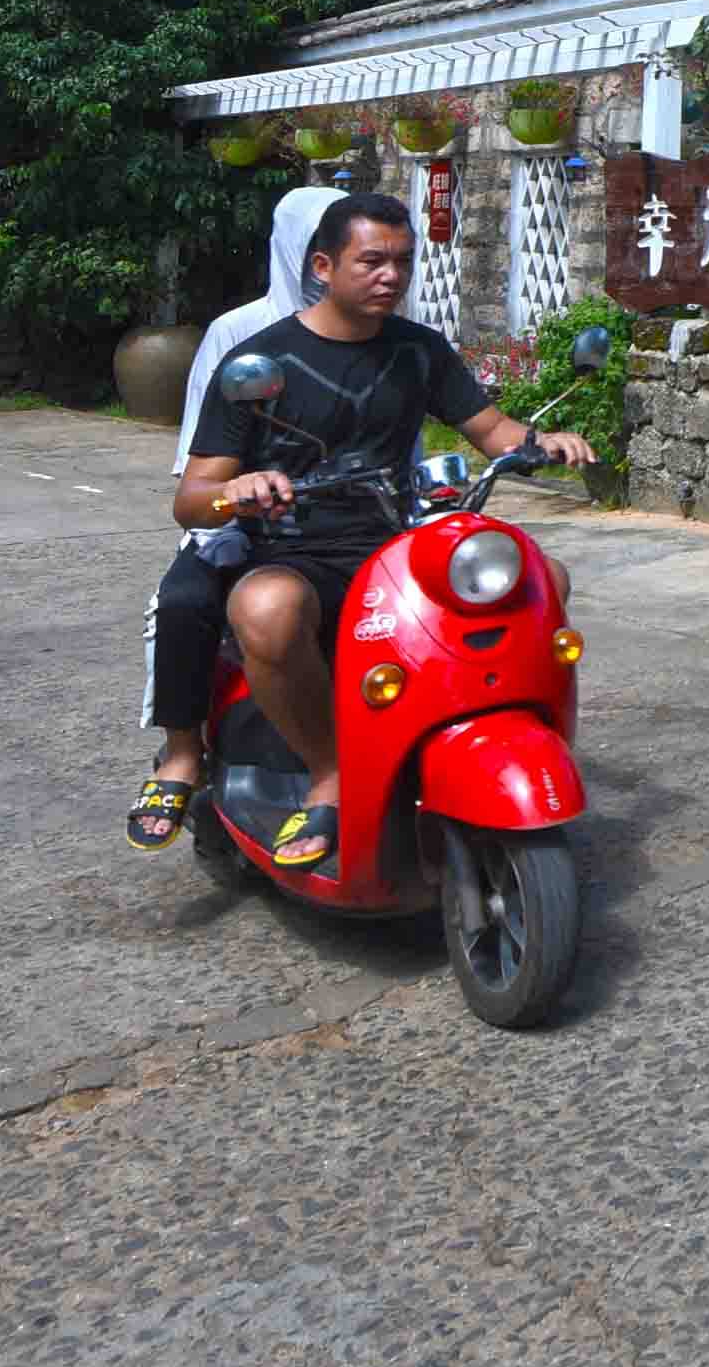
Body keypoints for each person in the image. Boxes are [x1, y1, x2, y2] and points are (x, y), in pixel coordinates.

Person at [174, 190, 595, 870]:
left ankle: (492, 740)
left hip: (398, 542)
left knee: (543, 577)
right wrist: (236, 488)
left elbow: (491, 431)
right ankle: (330, 773)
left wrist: (546, 440)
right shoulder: (258, 363)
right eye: (371, 260)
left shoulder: (418, 351)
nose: (390, 276)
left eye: (402, 261)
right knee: (266, 609)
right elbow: (191, 499)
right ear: (322, 265)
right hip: (297, 550)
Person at [123, 185, 341, 851]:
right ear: (292, 253)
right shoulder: (237, 333)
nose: (324, 270)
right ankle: (183, 751)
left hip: (352, 521)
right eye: (315, 254)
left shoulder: (389, 334)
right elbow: (196, 473)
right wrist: (239, 491)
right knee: (186, 599)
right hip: (245, 522)